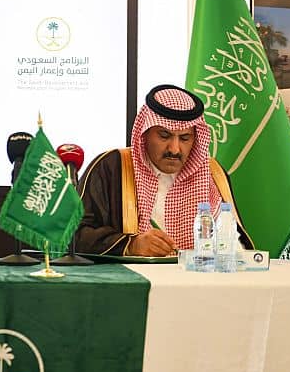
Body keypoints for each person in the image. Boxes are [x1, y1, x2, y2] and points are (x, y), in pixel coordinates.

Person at [76, 84, 252, 257]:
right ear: (145, 133)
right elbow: (75, 234)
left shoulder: (212, 174)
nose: (174, 149)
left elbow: (235, 244)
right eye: (164, 136)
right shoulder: (111, 167)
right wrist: (131, 245)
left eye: (185, 138)